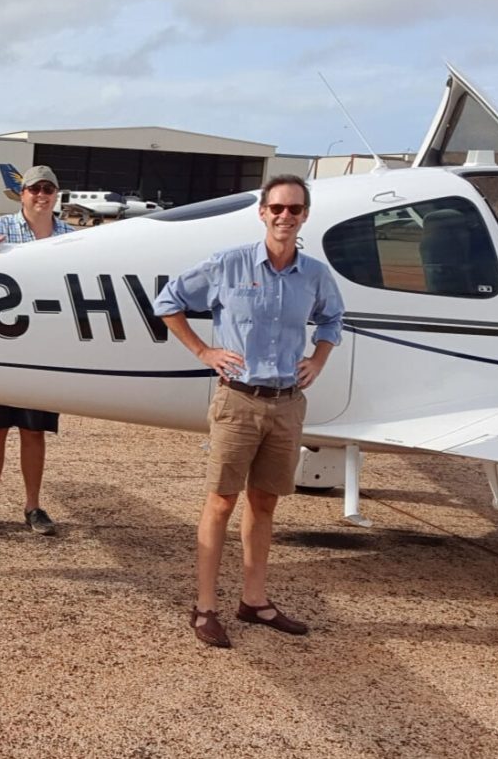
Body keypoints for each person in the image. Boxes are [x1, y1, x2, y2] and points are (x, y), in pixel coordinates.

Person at [153, 175, 344, 648]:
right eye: (277, 208)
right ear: (262, 212)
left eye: (294, 210)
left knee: (265, 503)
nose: (285, 217)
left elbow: (333, 318)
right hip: (238, 401)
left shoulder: (315, 274)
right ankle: (204, 607)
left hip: (285, 404)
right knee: (221, 501)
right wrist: (204, 351)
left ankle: (254, 601)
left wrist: (318, 358)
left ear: (305, 216)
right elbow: (168, 301)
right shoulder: (228, 264)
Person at [0, 165, 75, 536]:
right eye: (34, 189)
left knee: (33, 431)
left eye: (49, 189)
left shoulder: (73, 238)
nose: (42, 196)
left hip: (44, 350)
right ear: (22, 193)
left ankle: (33, 505)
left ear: (56, 194)